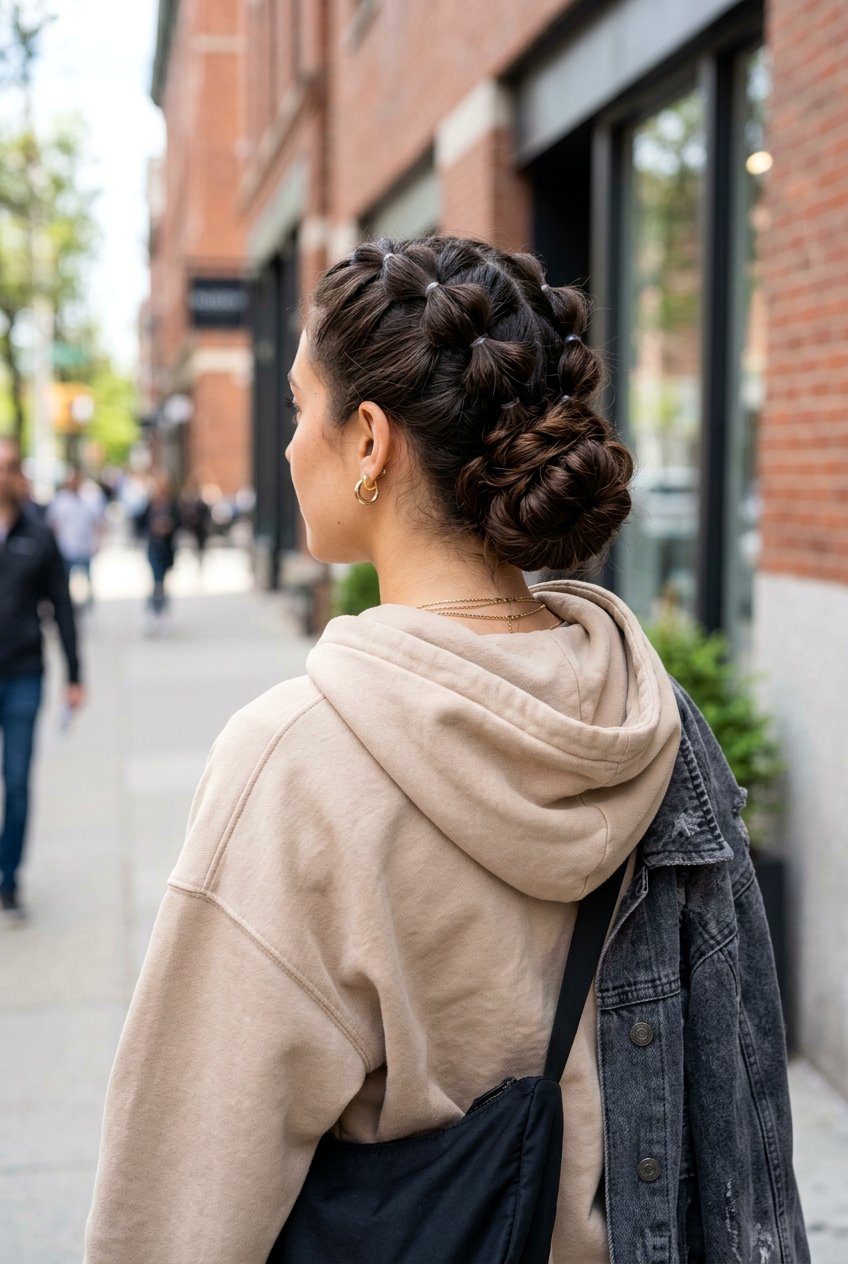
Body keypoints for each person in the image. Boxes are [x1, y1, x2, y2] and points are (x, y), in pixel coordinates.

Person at [84, 237, 808, 1263]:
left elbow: (176, 1208)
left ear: (369, 439)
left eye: (300, 407)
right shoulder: (655, 726)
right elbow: (743, 1140)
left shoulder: (295, 766)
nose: (291, 444)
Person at [0, 437, 84, 921]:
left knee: (15, 781)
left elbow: (62, 607)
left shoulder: (39, 533)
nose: (3, 474)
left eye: (10, 466)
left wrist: (75, 673)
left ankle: (8, 880)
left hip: (24, 676)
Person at [46, 466, 105, 607]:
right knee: (65, 579)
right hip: (66, 547)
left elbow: (98, 523)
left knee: (87, 577)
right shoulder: (60, 501)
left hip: (84, 546)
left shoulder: (89, 499)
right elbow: (53, 524)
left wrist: (98, 542)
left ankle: (88, 601)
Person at [139, 472, 180, 634]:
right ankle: (153, 613)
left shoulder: (172, 506)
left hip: (167, 548)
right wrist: (154, 528)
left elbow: (179, 523)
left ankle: (162, 614)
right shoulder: (150, 505)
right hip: (154, 547)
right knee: (156, 583)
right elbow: (140, 523)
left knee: (163, 583)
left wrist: (168, 527)